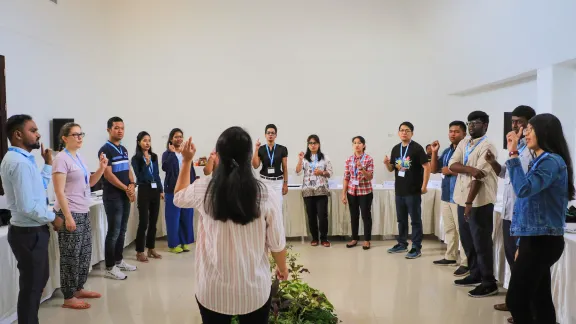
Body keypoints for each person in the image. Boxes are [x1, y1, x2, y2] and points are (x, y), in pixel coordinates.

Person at [173, 128, 288, 324]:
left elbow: (178, 197)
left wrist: (186, 161)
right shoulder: (266, 193)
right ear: (249, 155)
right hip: (254, 291)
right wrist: (282, 268)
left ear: (218, 155)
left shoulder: (203, 187)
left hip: (212, 290)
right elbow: (277, 244)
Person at [504, 113, 573, 324]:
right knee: (539, 298)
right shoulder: (541, 160)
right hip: (535, 237)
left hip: (542, 240)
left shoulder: (551, 161)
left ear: (544, 132)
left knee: (516, 300)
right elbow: (527, 205)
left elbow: (524, 189)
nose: (526, 133)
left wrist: (513, 153)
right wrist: (520, 242)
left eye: (530, 129)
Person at [0, 115, 59, 324]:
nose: (38, 134)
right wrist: (53, 218)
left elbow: (37, 192)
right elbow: (27, 206)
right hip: (28, 234)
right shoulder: (19, 163)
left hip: (32, 231)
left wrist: (48, 164)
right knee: (31, 290)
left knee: (37, 283)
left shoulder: (24, 160)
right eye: (33, 130)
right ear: (17, 134)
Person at [485, 105, 535, 320]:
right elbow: (505, 174)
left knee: (522, 264)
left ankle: (525, 308)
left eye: (520, 121)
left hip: (521, 213)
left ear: (530, 123)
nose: (515, 125)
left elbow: (526, 183)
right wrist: (492, 162)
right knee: (511, 260)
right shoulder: (517, 147)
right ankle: (515, 301)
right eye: (513, 121)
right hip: (508, 212)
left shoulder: (532, 149)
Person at [52, 123, 107, 309]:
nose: (79, 137)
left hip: (83, 210)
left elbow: (89, 183)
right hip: (70, 212)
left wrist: (101, 168)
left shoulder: (79, 157)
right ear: (64, 138)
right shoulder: (61, 159)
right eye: (75, 135)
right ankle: (68, 296)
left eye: (81, 134)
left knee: (84, 253)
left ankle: (78, 288)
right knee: (71, 256)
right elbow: (59, 191)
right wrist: (67, 216)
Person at [448, 111, 499, 297]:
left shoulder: (488, 146)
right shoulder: (464, 143)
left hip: (479, 202)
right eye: (469, 123)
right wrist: (469, 168)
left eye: (475, 123)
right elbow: (453, 165)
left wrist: (470, 202)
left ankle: (488, 281)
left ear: (485, 125)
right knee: (467, 241)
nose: (471, 126)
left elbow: (480, 177)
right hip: (462, 199)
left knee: (481, 242)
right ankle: (475, 273)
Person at [98, 116, 137, 280]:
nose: (120, 130)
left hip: (124, 194)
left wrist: (132, 184)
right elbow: (108, 175)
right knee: (113, 232)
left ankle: (119, 260)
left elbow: (128, 168)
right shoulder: (105, 149)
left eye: (122, 128)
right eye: (116, 128)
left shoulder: (124, 149)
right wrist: (125, 188)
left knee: (122, 230)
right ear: (109, 130)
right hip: (113, 196)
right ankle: (109, 267)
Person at [385, 122, 431, 259]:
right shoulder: (395, 149)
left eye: (407, 130)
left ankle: (416, 247)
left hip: (413, 190)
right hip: (399, 190)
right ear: (398, 133)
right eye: (402, 130)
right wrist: (387, 163)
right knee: (401, 219)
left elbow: (427, 167)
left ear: (412, 133)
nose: (404, 132)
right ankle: (402, 243)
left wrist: (424, 186)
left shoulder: (417, 148)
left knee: (415, 220)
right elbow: (392, 168)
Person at [430, 121, 469, 276]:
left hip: (460, 197)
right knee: (449, 229)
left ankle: (466, 262)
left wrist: (450, 171)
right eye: (451, 131)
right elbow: (434, 169)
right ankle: (451, 256)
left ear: (464, 134)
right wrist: (434, 152)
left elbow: (470, 170)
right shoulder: (447, 151)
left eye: (457, 131)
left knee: (463, 231)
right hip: (446, 195)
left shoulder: (467, 150)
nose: (453, 134)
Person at [131, 131, 164, 262]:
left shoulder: (154, 156)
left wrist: (161, 190)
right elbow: (140, 176)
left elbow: (156, 175)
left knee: (154, 221)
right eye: (144, 140)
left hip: (155, 190)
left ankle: (151, 248)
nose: (147, 143)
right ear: (139, 142)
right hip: (144, 189)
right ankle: (140, 251)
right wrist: (146, 163)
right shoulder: (136, 159)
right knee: (144, 221)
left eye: (149, 140)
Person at [295, 135, 333, 247]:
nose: (313, 145)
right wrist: (300, 160)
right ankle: (315, 238)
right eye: (310, 143)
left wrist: (321, 173)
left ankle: (324, 238)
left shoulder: (325, 158)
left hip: (321, 190)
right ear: (308, 145)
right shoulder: (304, 158)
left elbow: (330, 173)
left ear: (319, 144)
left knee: (322, 216)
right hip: (308, 190)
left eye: (315, 143)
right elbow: (297, 172)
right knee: (311, 216)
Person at [162, 128, 196, 253]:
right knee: (173, 218)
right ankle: (173, 244)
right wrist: (171, 153)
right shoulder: (167, 153)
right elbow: (165, 168)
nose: (179, 139)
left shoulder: (185, 152)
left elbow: (190, 170)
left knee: (186, 217)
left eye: (180, 136)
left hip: (187, 189)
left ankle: (184, 242)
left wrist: (193, 185)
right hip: (172, 190)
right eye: (176, 137)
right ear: (171, 139)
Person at [342, 136, 374, 250]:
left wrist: (361, 169)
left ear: (364, 145)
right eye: (355, 143)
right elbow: (346, 177)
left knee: (366, 216)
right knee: (353, 216)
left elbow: (370, 177)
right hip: (352, 192)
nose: (357, 145)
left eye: (359, 143)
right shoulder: (349, 160)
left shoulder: (368, 159)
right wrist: (343, 194)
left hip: (365, 192)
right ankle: (354, 238)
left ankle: (366, 240)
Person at [252, 124, 288, 208]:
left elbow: (285, 167)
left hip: (277, 182)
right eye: (268, 133)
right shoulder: (261, 149)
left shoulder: (282, 149)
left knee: (278, 207)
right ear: (265, 135)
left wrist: (285, 184)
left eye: (272, 133)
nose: (270, 135)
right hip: (265, 181)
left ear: (276, 135)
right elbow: (255, 165)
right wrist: (256, 149)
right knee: (265, 207)